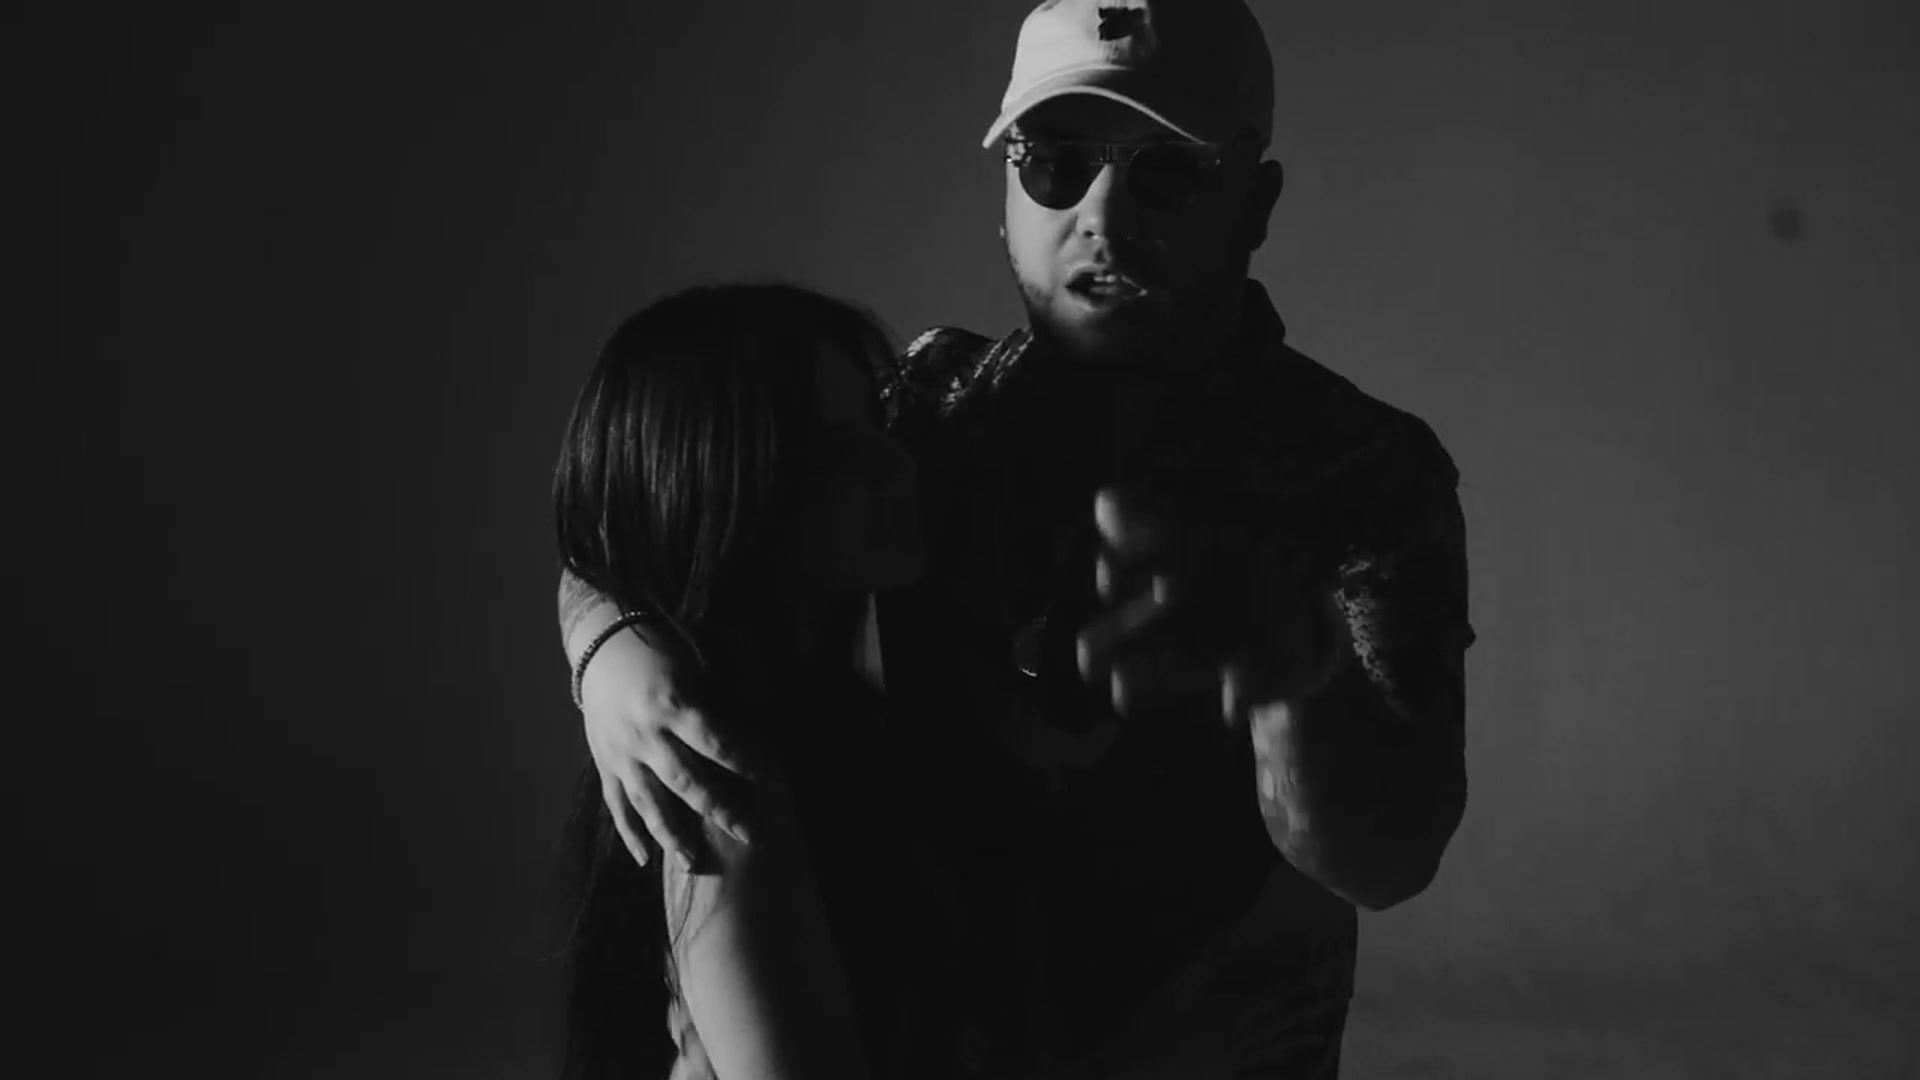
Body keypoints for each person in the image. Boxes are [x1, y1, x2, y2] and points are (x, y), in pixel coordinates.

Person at [559, 0, 1475, 1075]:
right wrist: (609, 648)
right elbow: (686, 506)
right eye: (1056, 162)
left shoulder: (1361, 469)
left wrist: (1294, 676)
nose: (1102, 215)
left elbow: (1390, 858)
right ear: (1004, 192)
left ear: (1256, 203)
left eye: (1166, 172)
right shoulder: (925, 411)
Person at [552, 283, 954, 1079]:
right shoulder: (719, 777)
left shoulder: (839, 723)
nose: (899, 463)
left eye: (878, 424)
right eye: (837, 451)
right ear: (730, 493)